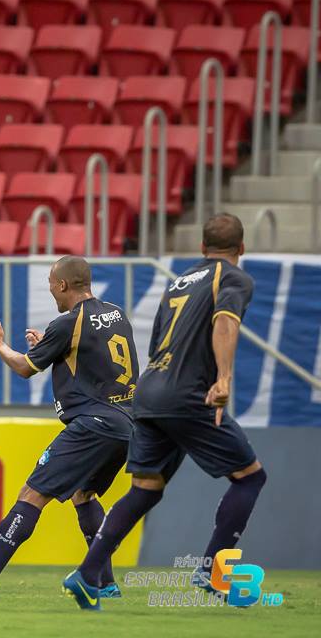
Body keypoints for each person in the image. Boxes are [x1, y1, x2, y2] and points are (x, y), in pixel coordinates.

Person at [63, 214, 266, 611]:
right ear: (241, 249)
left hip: (151, 391)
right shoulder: (234, 278)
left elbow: (157, 342)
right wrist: (223, 378)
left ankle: (88, 575)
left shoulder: (178, 281)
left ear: (202, 248)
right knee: (250, 478)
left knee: (145, 489)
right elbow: (224, 322)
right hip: (187, 394)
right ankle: (212, 570)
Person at [0, 256, 138, 598]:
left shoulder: (67, 324)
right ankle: (105, 584)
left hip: (92, 425)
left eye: (52, 285)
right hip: (125, 425)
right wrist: (51, 348)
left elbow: (24, 368)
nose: (51, 291)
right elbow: (95, 361)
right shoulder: (116, 314)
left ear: (63, 285)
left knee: (32, 494)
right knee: (83, 494)